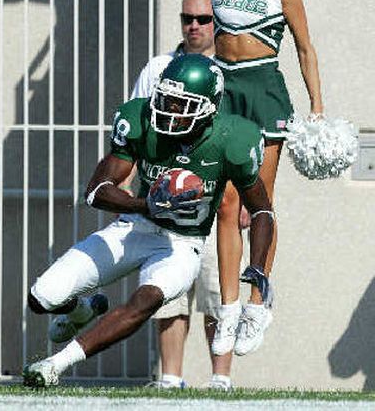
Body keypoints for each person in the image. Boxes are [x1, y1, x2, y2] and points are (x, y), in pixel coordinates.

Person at [119, 0, 323, 356]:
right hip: (225, 89)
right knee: (226, 204)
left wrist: (316, 106)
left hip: (265, 89)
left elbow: (305, 48)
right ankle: (228, 309)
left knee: (260, 202)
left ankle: (258, 300)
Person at [22, 53, 274, 388]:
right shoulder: (139, 119)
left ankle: (55, 365)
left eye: (182, 103)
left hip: (182, 245)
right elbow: (96, 190)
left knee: (146, 300)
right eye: (167, 99)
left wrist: (257, 267)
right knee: (42, 297)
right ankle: (80, 310)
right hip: (135, 226)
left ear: (209, 107)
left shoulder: (232, 139)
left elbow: (262, 210)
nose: (169, 110)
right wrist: (146, 206)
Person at [129, 0, 239, 391]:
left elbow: (244, 141)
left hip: (216, 201)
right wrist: (128, 196)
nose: (193, 26)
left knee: (215, 289)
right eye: (186, 19)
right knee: (168, 292)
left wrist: (244, 199)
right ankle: (170, 378)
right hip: (164, 198)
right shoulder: (159, 67)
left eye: (203, 19)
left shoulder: (232, 71)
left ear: (218, 23)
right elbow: (133, 130)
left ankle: (220, 380)